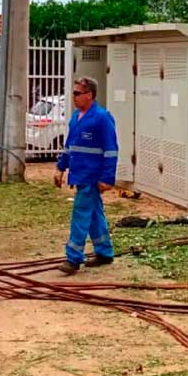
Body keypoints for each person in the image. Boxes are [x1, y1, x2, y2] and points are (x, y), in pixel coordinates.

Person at [53, 76, 118, 274]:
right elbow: (70, 147)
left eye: (77, 93)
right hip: (79, 175)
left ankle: (73, 258)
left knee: (80, 214)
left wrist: (107, 178)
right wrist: (60, 168)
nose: (73, 97)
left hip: (92, 177)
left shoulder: (102, 118)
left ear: (89, 95)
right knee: (95, 215)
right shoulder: (76, 118)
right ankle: (104, 252)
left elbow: (111, 150)